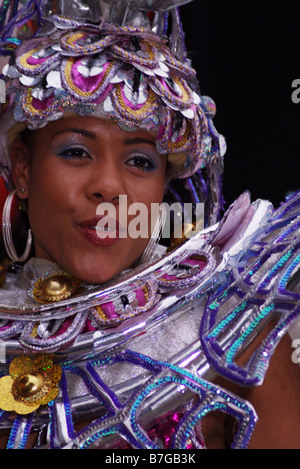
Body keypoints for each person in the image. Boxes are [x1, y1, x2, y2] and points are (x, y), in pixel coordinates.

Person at [0, 0, 300, 450]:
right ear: (22, 169)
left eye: (140, 161)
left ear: (164, 184)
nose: (108, 187)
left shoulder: (233, 336)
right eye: (76, 152)